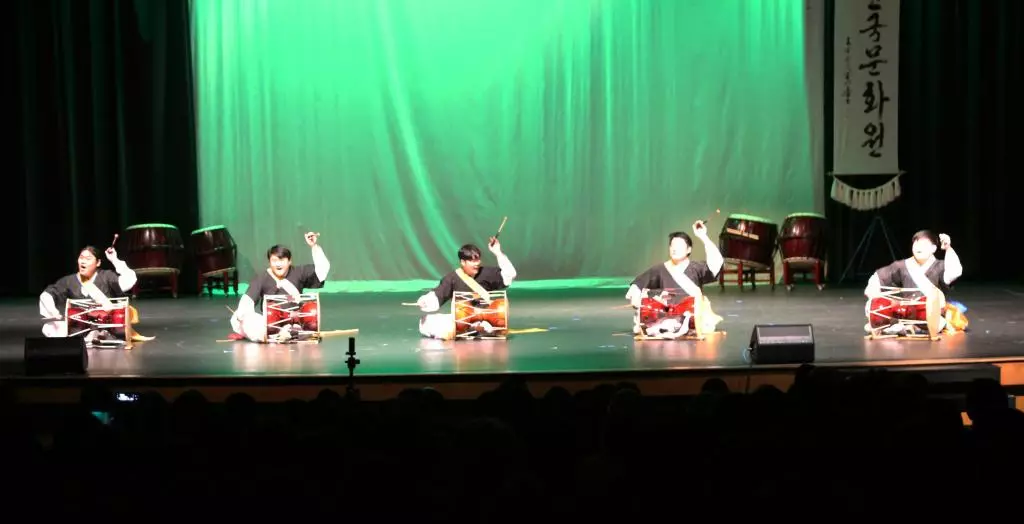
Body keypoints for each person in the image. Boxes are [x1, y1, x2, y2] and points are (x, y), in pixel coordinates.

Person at [625, 220, 724, 338]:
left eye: (679, 246)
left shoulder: (696, 268)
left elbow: (716, 264)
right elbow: (639, 282)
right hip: (667, 317)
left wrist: (703, 236)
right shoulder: (661, 269)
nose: (674, 249)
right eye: (672, 246)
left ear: (689, 250)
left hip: (691, 317)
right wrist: (635, 294)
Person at [230, 232, 330, 342]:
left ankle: (290, 332)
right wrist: (241, 317)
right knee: (238, 317)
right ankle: (279, 334)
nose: (278, 264)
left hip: (295, 323)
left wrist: (314, 247)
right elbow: (247, 300)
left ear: (289, 261)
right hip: (271, 325)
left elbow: (322, 270)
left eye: (282, 260)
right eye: (274, 261)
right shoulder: (263, 277)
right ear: (269, 262)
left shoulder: (299, 272)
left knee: (309, 317)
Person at [39, 245, 151, 343]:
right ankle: (91, 336)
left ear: (98, 263)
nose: (83, 262)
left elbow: (129, 279)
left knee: (116, 324)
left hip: (107, 324)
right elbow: (49, 294)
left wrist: (114, 260)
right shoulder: (69, 280)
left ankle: (100, 335)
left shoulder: (107, 276)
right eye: (81, 258)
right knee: (49, 328)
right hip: (80, 326)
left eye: (88, 259)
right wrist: (52, 311)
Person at [864, 230, 966, 335]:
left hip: (931, 316)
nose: (918, 247)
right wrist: (874, 296)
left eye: (923, 244)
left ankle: (904, 328)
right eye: (916, 244)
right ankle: (902, 327)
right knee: (875, 308)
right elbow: (877, 277)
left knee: (932, 319)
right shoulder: (903, 265)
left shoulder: (940, 266)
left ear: (933, 248)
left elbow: (955, 272)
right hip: (906, 314)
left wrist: (948, 249)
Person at [416, 237, 517, 339]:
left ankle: (478, 329)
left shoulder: (486, 273)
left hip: (485, 320)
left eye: (478, 259)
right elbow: (438, 294)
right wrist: (425, 301)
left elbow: (510, 274)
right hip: (462, 320)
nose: (477, 263)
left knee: (488, 325)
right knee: (425, 321)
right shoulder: (452, 278)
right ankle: (470, 329)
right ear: (463, 262)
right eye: (472, 260)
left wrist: (498, 252)